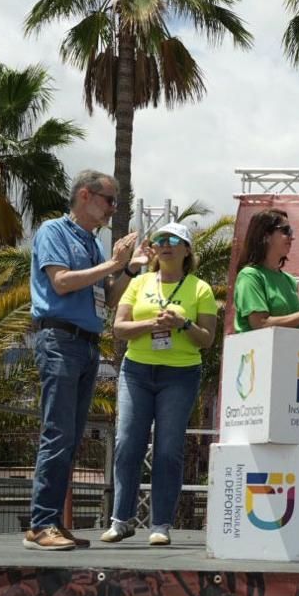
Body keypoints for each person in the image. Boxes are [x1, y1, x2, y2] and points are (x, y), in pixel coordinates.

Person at [27, 169, 142, 550]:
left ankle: (50, 523)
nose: (113, 209)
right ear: (85, 196)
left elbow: (108, 298)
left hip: (87, 344)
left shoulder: (91, 244)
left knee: (72, 438)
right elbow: (60, 282)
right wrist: (112, 264)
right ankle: (42, 523)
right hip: (59, 338)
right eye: (109, 200)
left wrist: (127, 267)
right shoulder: (53, 232)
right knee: (57, 433)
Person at [104, 221, 218, 547]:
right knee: (127, 443)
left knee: (168, 450)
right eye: (160, 239)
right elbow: (119, 328)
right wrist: (150, 324)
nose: (165, 244)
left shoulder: (200, 289)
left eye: (174, 240)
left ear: (186, 249)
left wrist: (183, 323)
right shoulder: (138, 283)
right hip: (136, 371)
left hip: (180, 375)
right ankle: (120, 521)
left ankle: (161, 524)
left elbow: (207, 340)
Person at [232, 208, 299, 333]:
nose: (292, 237)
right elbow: (260, 324)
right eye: (286, 231)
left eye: (291, 231)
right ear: (266, 236)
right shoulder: (250, 276)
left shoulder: (289, 280)